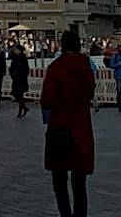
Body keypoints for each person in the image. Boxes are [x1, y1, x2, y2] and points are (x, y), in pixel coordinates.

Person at [41, 28, 96, 217]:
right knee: (79, 183)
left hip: (59, 127)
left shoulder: (55, 68)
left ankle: (65, 214)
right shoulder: (85, 67)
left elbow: (47, 99)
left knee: (59, 179)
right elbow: (89, 93)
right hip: (80, 127)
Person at [10, 42, 31, 118]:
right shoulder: (15, 58)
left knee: (20, 95)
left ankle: (20, 112)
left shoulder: (23, 58)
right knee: (16, 95)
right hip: (16, 79)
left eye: (16, 49)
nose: (15, 50)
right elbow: (11, 67)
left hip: (21, 79)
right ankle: (24, 108)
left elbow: (26, 69)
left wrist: (23, 75)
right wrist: (12, 74)